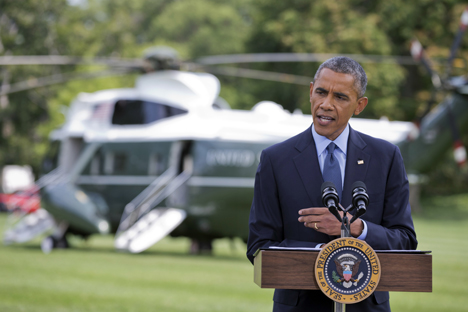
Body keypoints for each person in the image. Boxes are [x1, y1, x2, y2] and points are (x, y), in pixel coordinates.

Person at [246, 56, 417, 312]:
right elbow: (259, 246)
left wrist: (355, 228)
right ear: (311, 92)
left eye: (340, 97)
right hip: (299, 306)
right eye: (321, 93)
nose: (326, 104)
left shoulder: (386, 157)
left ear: (359, 105)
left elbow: (404, 241)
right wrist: (325, 253)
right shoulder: (275, 159)